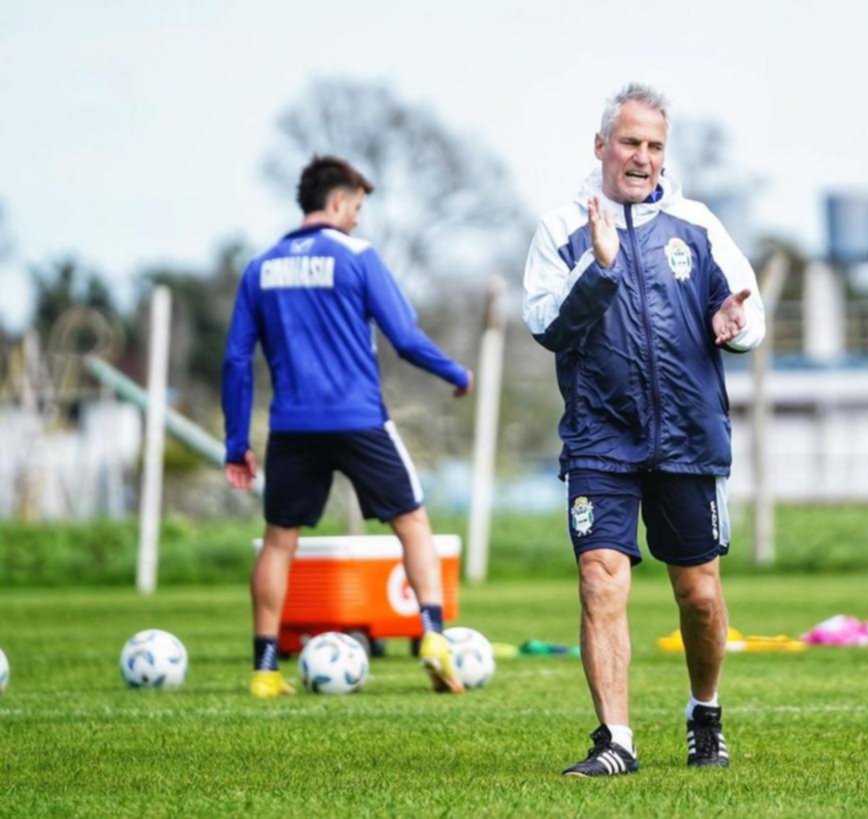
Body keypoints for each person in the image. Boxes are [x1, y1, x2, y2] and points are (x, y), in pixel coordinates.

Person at [522, 83, 765, 776]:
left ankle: (705, 713)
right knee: (601, 579)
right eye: (630, 142)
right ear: (601, 146)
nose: (642, 157)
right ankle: (616, 740)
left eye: (655, 145)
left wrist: (734, 328)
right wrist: (598, 269)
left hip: (688, 436)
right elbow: (545, 325)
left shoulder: (699, 224)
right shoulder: (560, 229)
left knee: (700, 593)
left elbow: (751, 315)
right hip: (601, 438)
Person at [222, 155, 473, 698]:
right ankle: (433, 636)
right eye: (357, 207)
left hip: (291, 426)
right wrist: (455, 372)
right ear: (337, 202)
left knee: (278, 542)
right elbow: (404, 337)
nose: (358, 219)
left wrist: (236, 443)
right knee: (412, 522)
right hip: (359, 419)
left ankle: (265, 670)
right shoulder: (358, 256)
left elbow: (237, 361)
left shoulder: (259, 266)